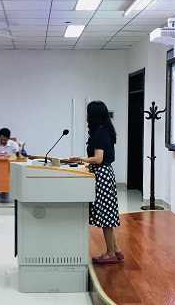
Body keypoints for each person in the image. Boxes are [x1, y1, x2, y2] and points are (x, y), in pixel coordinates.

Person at [73, 101, 121, 264]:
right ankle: (116, 250)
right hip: (106, 173)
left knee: (105, 216)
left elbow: (98, 158)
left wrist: (80, 159)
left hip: (101, 176)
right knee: (107, 213)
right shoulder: (106, 130)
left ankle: (110, 254)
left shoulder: (99, 133)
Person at [0, 128, 20, 203]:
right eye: (1, 140)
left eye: (5, 140)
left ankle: (3, 190)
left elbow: (19, 155)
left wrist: (10, 155)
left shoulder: (13, 144)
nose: (3, 142)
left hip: (9, 166)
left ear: (8, 138)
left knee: (4, 173)